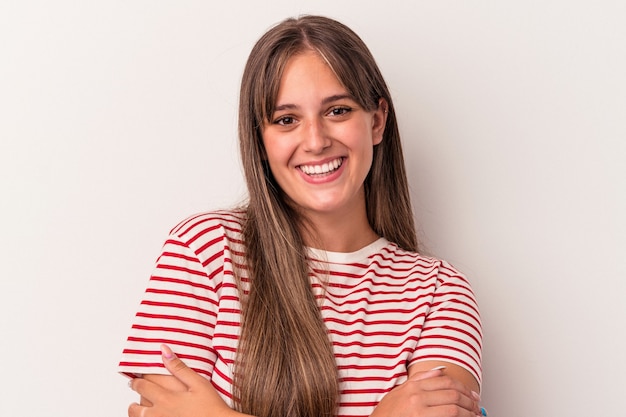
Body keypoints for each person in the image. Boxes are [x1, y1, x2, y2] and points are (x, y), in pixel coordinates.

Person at [120, 15, 484, 417]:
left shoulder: (438, 292)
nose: (315, 141)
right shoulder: (204, 252)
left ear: (377, 121)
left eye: (338, 111)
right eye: (286, 120)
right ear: (260, 140)